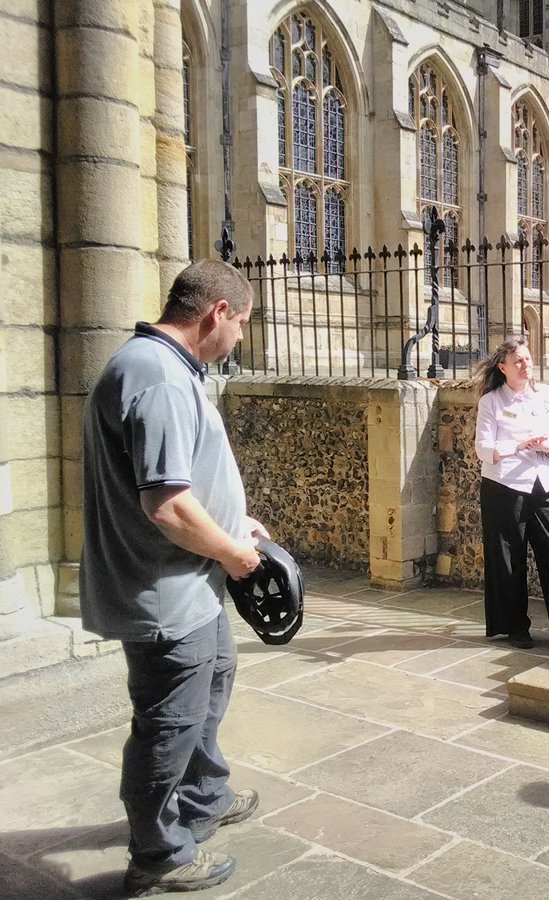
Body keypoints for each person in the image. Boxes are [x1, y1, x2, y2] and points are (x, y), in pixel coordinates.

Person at [80, 260, 268, 895]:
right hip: (165, 592)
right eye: (241, 323)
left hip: (190, 582)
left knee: (213, 681)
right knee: (169, 723)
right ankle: (158, 851)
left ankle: (205, 796)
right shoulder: (158, 377)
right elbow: (167, 505)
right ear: (217, 313)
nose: (239, 337)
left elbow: (182, 481)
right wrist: (234, 553)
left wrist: (234, 522)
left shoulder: (163, 366)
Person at [473, 337, 549, 648]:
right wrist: (519, 445)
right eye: (518, 361)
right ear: (503, 368)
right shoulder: (491, 402)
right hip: (505, 486)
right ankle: (515, 627)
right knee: (508, 558)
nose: (525, 365)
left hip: (546, 482)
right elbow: (483, 449)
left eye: (527, 358)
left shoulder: (547, 394)